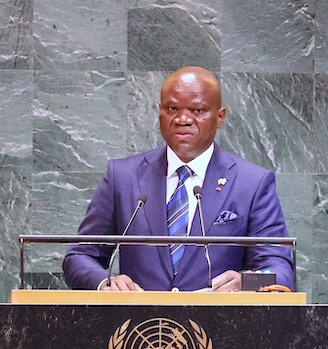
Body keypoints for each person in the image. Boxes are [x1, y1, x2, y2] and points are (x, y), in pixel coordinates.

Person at [63, 66, 293, 292]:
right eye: (172, 109)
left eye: (198, 110)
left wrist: (245, 282)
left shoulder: (252, 183)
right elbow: (80, 257)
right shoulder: (123, 177)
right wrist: (106, 284)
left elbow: (279, 271)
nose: (183, 119)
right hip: (138, 317)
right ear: (159, 112)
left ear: (220, 117)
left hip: (218, 317)